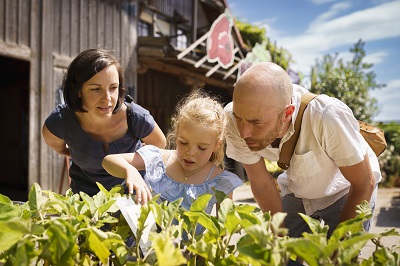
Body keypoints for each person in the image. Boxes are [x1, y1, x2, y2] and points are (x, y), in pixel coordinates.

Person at [224, 62, 381, 238]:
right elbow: (261, 183)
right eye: (239, 118)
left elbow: (364, 183)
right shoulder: (232, 120)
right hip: (298, 190)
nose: (244, 132)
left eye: (256, 123)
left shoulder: (326, 117)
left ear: (287, 113)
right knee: (283, 258)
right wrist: (281, 241)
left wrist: (339, 251)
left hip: (345, 189)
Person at [42, 48, 166, 197]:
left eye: (113, 88)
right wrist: (81, 153)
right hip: (86, 199)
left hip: (132, 196)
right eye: (96, 89)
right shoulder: (60, 123)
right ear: (77, 90)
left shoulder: (136, 118)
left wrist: (130, 165)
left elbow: (160, 145)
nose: (107, 98)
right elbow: (60, 148)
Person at [102, 90, 243, 217]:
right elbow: (108, 161)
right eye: (183, 142)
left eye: (202, 147)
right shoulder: (158, 159)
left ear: (216, 146)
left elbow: (223, 232)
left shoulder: (221, 182)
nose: (191, 152)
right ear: (176, 135)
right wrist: (130, 171)